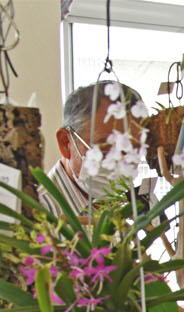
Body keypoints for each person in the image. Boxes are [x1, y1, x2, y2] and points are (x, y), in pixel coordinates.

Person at [46, 81, 146, 217]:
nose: (120, 163)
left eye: (133, 150)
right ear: (66, 143)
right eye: (107, 149)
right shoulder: (36, 217)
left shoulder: (120, 209)